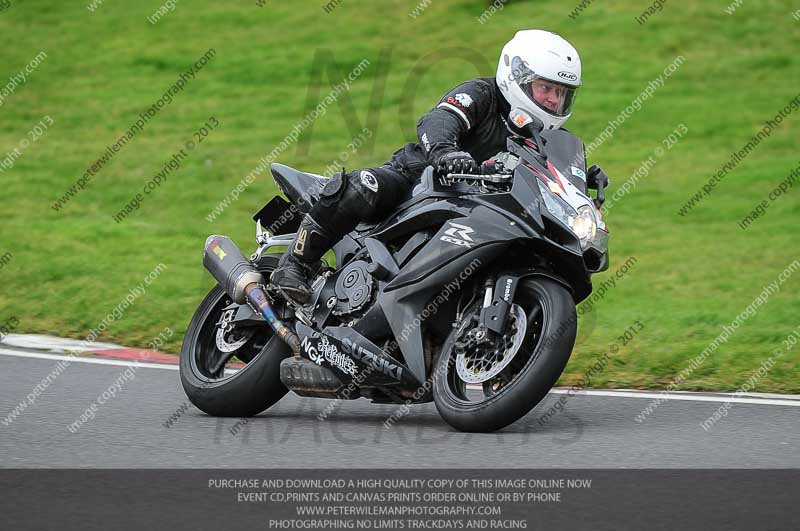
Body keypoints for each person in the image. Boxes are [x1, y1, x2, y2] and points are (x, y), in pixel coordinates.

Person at [271, 29, 583, 304]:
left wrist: (582, 191)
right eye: (546, 89)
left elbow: (552, 182)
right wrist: (445, 152)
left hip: (482, 212)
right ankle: (294, 264)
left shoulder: (548, 140)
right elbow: (439, 119)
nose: (554, 101)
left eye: (561, 94)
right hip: (417, 180)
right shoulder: (483, 94)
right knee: (365, 187)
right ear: (518, 76)